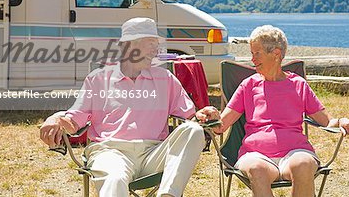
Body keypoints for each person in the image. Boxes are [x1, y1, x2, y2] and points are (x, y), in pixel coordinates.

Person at [40, 17, 220, 197]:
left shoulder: (165, 79)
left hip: (153, 153)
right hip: (111, 151)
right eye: (150, 43)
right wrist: (54, 119)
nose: (155, 50)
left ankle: (168, 195)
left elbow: (190, 118)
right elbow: (73, 122)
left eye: (155, 44)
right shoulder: (98, 79)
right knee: (115, 179)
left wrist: (203, 115)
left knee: (194, 130)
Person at [215, 25, 349, 197]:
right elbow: (221, 125)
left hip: (295, 152)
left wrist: (342, 121)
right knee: (256, 169)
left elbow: (327, 121)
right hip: (256, 155)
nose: (252, 59)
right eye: (252, 53)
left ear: (276, 53)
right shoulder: (248, 85)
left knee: (304, 165)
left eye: (257, 53)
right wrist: (209, 117)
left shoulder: (298, 84)